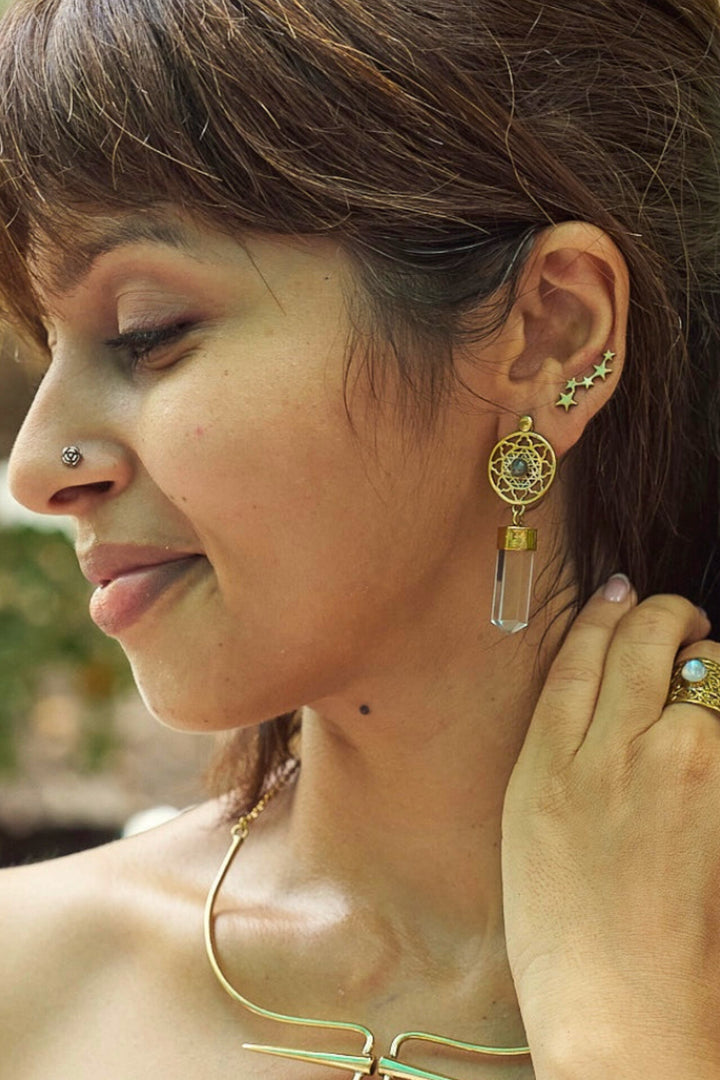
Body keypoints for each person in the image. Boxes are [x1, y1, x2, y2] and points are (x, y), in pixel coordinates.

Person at [0, 0, 719, 1077]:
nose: (37, 466)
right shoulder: (30, 979)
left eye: (149, 333)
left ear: (550, 333)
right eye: (46, 349)